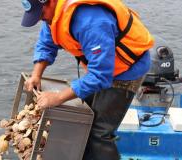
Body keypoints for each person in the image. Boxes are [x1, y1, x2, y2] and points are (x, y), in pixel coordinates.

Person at [21, 0, 154, 159]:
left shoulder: (91, 22)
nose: (41, 19)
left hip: (127, 71)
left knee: (99, 132)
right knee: (80, 118)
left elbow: (101, 76)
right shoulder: (54, 15)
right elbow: (46, 42)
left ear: (50, 2)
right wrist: (36, 74)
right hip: (103, 67)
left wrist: (58, 97)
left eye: (41, 14)